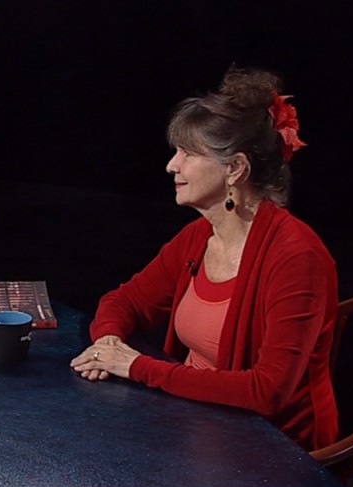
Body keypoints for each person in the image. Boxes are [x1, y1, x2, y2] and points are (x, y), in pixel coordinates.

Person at [69, 67, 338, 451]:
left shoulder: (297, 257)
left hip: (274, 455)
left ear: (235, 168)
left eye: (188, 153)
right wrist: (108, 344)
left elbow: (266, 391)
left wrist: (135, 366)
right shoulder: (199, 236)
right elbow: (124, 301)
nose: (171, 165)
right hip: (196, 428)